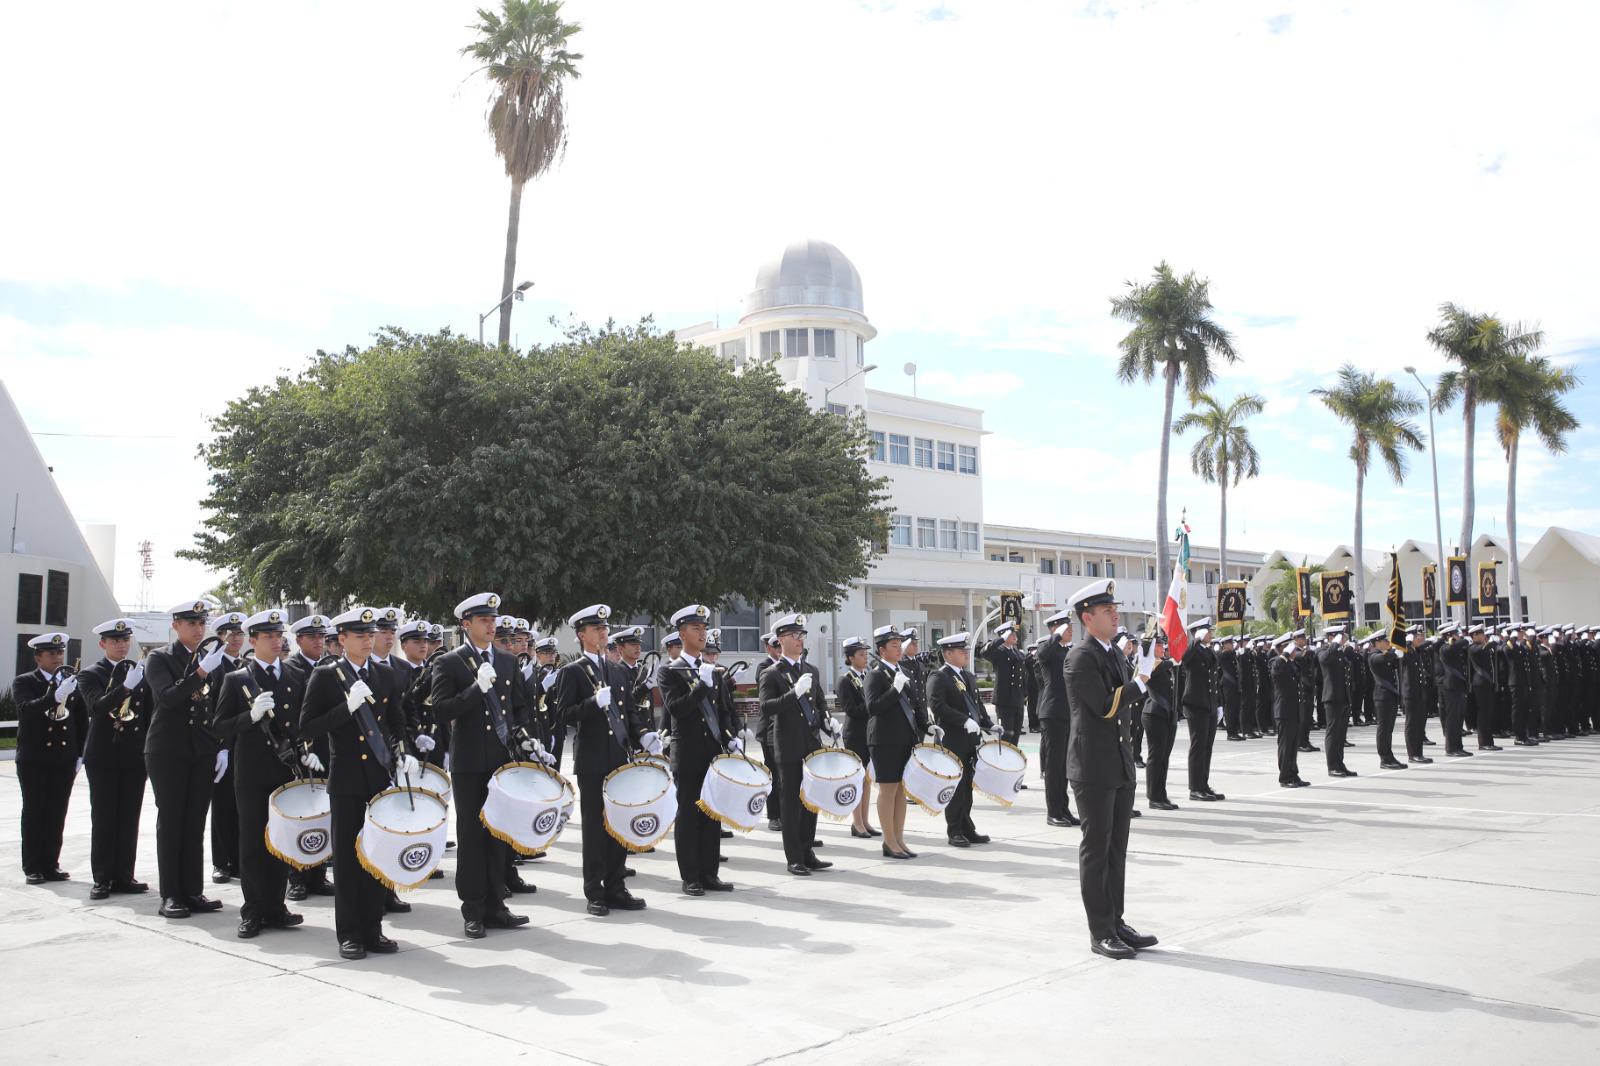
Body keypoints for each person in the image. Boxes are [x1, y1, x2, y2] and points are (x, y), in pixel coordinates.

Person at [299, 606, 418, 960]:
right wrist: (345, 709)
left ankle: (374, 928)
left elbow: (397, 721)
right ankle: (350, 934)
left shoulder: (385, 675)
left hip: (380, 777)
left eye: (370, 635)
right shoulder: (326, 676)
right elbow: (307, 726)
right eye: (360, 635)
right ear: (342, 640)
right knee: (350, 862)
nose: (368, 641)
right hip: (347, 778)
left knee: (378, 855)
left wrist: (404, 751)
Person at [431, 592, 541, 937]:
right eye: (484, 620)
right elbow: (441, 709)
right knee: (472, 837)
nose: (491, 625)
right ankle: (473, 910)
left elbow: (520, 709)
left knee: (498, 835)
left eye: (493, 620)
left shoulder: (508, 662)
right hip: (468, 764)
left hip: (501, 761)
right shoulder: (449, 663)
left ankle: (497, 905)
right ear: (466, 625)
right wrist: (475, 690)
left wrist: (526, 737)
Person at [1062, 579, 1158, 960]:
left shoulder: (1112, 653)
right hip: (1093, 767)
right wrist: (1142, 680)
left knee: (1117, 849)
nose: (1115, 613)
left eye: (1114, 608)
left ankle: (1116, 922)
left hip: (1117, 763)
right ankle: (1100, 931)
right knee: (1097, 850)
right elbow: (1106, 705)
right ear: (1088, 617)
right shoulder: (1081, 657)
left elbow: (1125, 692)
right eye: (1107, 610)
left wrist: (1142, 670)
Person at [211, 609, 308, 938]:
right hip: (251, 772)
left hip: (284, 771)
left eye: (278, 635)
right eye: (268, 636)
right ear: (253, 641)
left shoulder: (293, 676)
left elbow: (299, 726)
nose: (275, 641)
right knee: (252, 842)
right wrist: (249, 718)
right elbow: (219, 726)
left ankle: (275, 907)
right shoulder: (237, 679)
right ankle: (252, 911)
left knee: (279, 840)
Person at [558, 603, 649, 916]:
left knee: (619, 824)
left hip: (618, 758)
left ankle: (616, 885)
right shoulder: (572, 672)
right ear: (582, 635)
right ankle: (595, 890)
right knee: (596, 828)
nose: (603, 632)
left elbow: (630, 712)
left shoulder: (617, 669)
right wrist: (591, 703)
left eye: (605, 628)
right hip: (593, 760)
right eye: (596, 629)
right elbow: (564, 714)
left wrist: (642, 736)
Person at [145, 600, 228, 919]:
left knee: (194, 822)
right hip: (168, 750)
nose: (198, 629)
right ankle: (171, 895)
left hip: (202, 750)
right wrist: (201, 671)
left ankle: (193, 890)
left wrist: (221, 745)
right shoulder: (161, 658)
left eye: (201, 623)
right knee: (172, 822)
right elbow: (168, 698)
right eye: (191, 623)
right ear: (176, 625)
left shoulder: (212, 659)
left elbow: (218, 705)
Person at [658, 604, 740, 895]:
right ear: (682, 633)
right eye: (696, 628)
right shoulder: (669, 671)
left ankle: (710, 873)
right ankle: (690, 875)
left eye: (704, 628)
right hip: (688, 752)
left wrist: (731, 736)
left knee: (712, 813)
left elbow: (724, 711)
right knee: (690, 815)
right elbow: (676, 710)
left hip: (712, 752)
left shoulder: (713, 670)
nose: (703, 633)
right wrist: (700, 688)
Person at [74, 619, 151, 898]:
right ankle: (103, 877)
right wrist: (125, 688)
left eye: (124, 640)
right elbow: (97, 706)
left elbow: (149, 714)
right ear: (102, 644)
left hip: (133, 754)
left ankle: (124, 875)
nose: (121, 645)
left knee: (129, 817)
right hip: (104, 754)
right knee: (105, 816)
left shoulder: (140, 672)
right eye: (115, 641)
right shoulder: (91, 674)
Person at [760, 613, 837, 876]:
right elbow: (767, 708)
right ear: (781, 640)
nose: (800, 640)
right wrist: (794, 694)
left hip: (811, 743)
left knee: (811, 800)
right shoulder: (772, 674)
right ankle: (794, 858)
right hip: (789, 744)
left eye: (802, 635)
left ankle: (808, 851)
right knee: (792, 803)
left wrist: (829, 722)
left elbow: (820, 705)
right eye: (795, 636)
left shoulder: (811, 671)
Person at [12, 632, 85, 885]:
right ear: (38, 657)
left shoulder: (70, 680)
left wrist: (80, 753)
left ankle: (51, 863)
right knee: (35, 812)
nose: (57, 657)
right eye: (51, 653)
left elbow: (79, 720)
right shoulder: (25, 682)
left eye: (60, 652)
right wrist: (53, 695)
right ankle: (33, 865)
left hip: (63, 758)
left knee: (56, 812)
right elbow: (26, 711)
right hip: (35, 759)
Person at [928, 632, 999, 848]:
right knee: (956, 788)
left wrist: (988, 724)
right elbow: (938, 705)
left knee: (968, 786)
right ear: (947, 654)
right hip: (952, 738)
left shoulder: (967, 676)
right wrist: (962, 721)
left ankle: (968, 827)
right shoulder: (938, 676)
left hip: (970, 739)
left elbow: (976, 705)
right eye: (961, 651)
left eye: (966, 650)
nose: (966, 654)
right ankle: (955, 830)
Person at [283, 614, 336, 901]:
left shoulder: (331, 667)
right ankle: (297, 876)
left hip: (327, 748)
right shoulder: (290, 669)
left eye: (322, 637)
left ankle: (318, 875)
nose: (318, 641)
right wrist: (300, 751)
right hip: (302, 752)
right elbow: (292, 715)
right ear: (299, 640)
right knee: (301, 816)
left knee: (323, 814)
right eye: (312, 637)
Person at [865, 625, 925, 860]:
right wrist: (895, 688)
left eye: (899, 644)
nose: (899, 648)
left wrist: (926, 725)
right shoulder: (875, 674)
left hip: (905, 737)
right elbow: (873, 707)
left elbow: (915, 704)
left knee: (901, 791)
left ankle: (899, 839)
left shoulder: (904, 671)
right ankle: (888, 841)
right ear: (882, 650)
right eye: (893, 645)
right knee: (888, 790)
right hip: (884, 740)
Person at [208, 611, 246, 885]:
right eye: (229, 634)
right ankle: (222, 862)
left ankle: (239, 860)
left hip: (246, 745)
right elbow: (211, 711)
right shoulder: (212, 666)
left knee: (243, 808)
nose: (235, 639)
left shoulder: (247, 665)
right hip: (223, 746)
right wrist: (220, 747)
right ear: (219, 637)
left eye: (239, 634)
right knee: (222, 806)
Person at [1036, 610, 1079, 827]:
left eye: (1070, 627)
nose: (1070, 630)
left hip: (1068, 713)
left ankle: (1064, 809)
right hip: (1052, 714)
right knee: (1054, 767)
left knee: (1064, 766)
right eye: (1065, 627)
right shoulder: (1048, 649)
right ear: (1055, 628)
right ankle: (1053, 811)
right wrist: (1056, 635)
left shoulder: (1067, 651)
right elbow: (1041, 655)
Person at [835, 636, 878, 838]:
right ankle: (857, 822)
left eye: (865, 653)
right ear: (850, 658)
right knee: (856, 780)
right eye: (860, 654)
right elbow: (851, 709)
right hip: (855, 735)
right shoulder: (845, 680)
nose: (865, 657)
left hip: (870, 732)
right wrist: (874, 707)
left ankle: (866, 820)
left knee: (867, 780)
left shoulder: (868, 676)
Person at [1180, 619, 1225, 801]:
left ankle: (1204, 784)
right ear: (1199, 633)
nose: (1211, 634)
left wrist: (1219, 703)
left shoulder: (1208, 651)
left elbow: (1214, 679)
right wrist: (1194, 642)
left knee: (1207, 746)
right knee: (1198, 747)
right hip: (1196, 704)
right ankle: (1195, 788)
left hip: (1209, 704)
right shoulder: (1193, 650)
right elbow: (1183, 659)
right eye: (1207, 631)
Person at [1139, 635, 1179, 811]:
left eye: (1164, 645)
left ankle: (1161, 794)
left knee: (1164, 757)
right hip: (1154, 713)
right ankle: (1154, 797)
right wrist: (1173, 660)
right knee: (1156, 756)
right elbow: (1156, 667)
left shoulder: (1162, 663)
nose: (1163, 648)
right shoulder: (1149, 664)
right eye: (1159, 645)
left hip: (1167, 714)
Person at [978, 622, 1026, 745]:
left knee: (1015, 737)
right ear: (1003, 636)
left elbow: (1023, 677)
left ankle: (1014, 763)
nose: (1015, 635)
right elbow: (984, 652)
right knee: (1006, 737)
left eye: (1015, 633)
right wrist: (1001, 640)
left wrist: (1025, 694)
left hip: (1017, 700)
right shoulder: (999, 652)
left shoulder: (1018, 653)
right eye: (1011, 634)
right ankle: (1005, 763)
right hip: (1005, 701)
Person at [755, 632, 784, 831]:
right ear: (769, 648)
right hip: (769, 729)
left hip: (785, 729)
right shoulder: (765, 667)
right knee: (773, 774)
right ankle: (774, 815)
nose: (779, 651)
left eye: (781, 646)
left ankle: (787, 815)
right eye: (776, 647)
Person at [1272, 634, 1310, 787]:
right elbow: (1276, 670)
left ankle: (1293, 774)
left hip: (1294, 710)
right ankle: (1285, 777)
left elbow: (1307, 663)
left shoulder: (1292, 664)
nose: (1295, 651)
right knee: (1286, 745)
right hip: (1284, 711)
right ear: (1283, 648)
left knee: (1293, 745)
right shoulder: (1276, 661)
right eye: (1291, 648)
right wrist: (1284, 654)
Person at [1365, 632, 1406, 770]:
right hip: (1382, 697)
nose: (1388, 642)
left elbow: (1395, 661)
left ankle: (1389, 756)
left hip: (1390, 695)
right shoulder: (1373, 656)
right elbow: (1386, 658)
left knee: (1389, 729)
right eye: (1385, 640)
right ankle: (1384, 758)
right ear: (1377, 643)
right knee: (1384, 729)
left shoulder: (1384, 655)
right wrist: (1396, 648)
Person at [1400, 627, 1434, 764]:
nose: (1421, 638)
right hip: (1410, 693)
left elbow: (1424, 645)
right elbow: (1403, 653)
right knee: (1412, 724)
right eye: (1418, 636)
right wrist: (1406, 643)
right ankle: (1413, 754)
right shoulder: (1407, 651)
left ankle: (1418, 752)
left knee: (1419, 724)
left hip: (1419, 692)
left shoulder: (1416, 650)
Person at [1467, 625, 1502, 752]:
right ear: (1474, 636)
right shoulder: (1473, 648)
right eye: (1480, 634)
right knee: (1483, 713)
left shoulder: (1485, 647)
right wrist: (1491, 642)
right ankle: (1483, 742)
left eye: (1483, 634)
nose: (1483, 636)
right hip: (1480, 684)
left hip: (1488, 683)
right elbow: (1482, 649)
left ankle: (1489, 741)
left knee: (1488, 713)